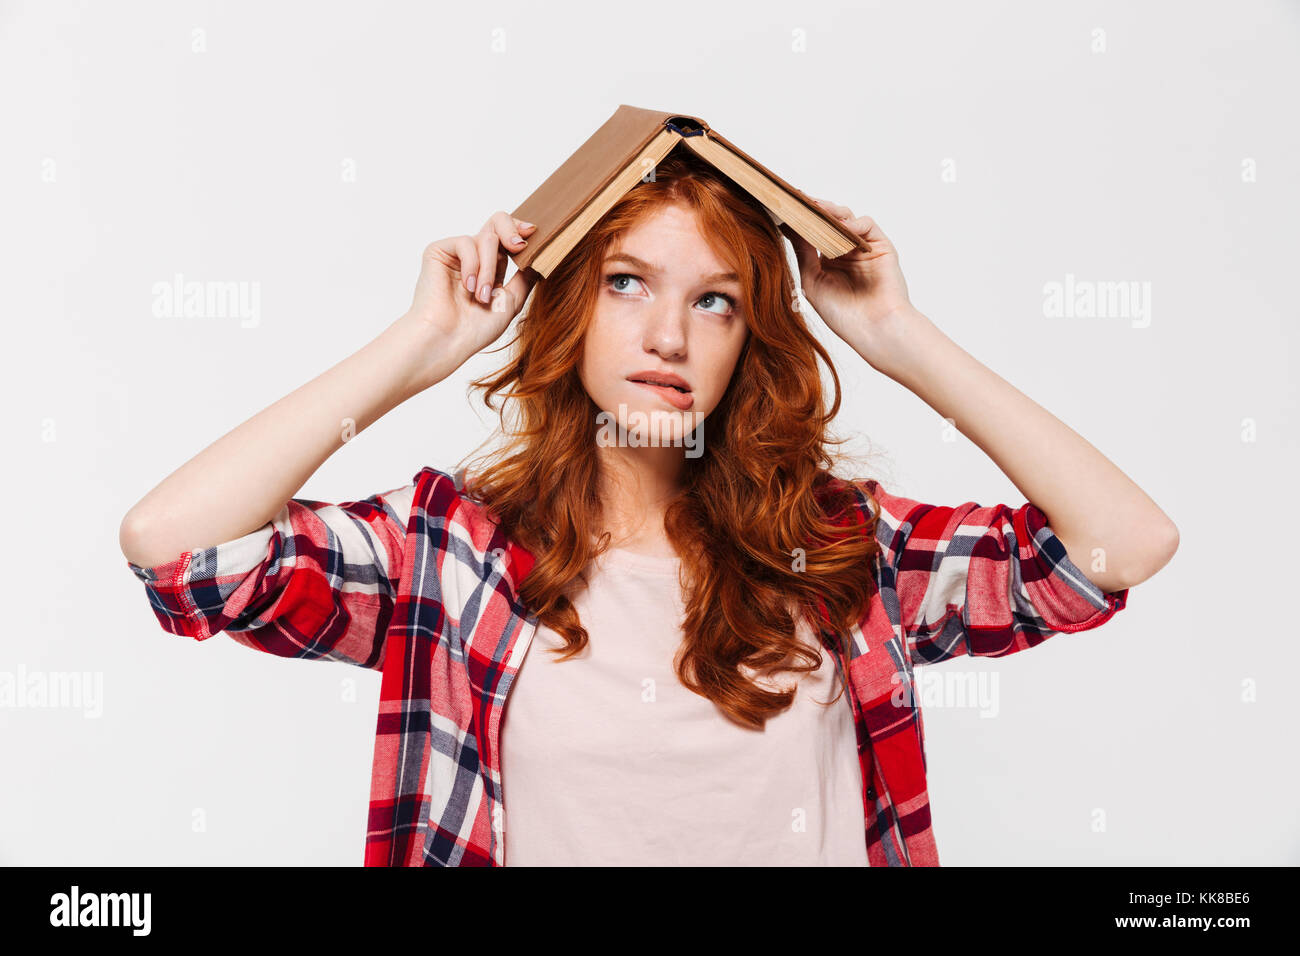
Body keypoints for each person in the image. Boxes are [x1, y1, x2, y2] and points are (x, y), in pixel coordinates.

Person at [121, 149, 1177, 866]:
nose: (669, 335)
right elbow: (176, 546)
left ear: (744, 338)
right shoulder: (452, 552)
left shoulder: (839, 549)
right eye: (627, 283)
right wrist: (420, 348)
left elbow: (1119, 543)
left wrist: (898, 334)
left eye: (713, 299)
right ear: (570, 310)